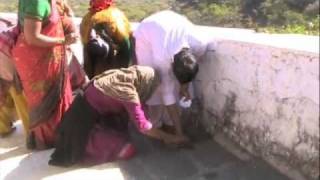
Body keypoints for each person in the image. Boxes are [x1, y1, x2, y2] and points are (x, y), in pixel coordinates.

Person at [49, 65, 188, 167]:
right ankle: (89, 146)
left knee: (124, 132)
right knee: (127, 150)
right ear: (146, 83)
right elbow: (143, 126)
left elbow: (141, 111)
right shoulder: (128, 92)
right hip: (84, 125)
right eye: (152, 87)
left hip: (92, 115)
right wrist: (170, 137)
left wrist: (158, 131)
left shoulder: (124, 76)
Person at [11, 0, 77, 149]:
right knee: (46, 104)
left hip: (46, 58)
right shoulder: (37, 2)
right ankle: (49, 142)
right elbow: (32, 37)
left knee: (55, 101)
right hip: (37, 62)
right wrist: (63, 40)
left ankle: (54, 138)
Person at [133, 10, 208, 139]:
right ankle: (156, 124)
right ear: (171, 65)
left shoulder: (199, 43)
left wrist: (184, 87)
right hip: (147, 32)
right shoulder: (161, 58)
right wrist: (180, 134)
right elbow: (166, 93)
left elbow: (190, 67)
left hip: (171, 21)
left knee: (175, 88)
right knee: (154, 82)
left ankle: (170, 123)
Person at [80, 0, 133, 79]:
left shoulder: (86, 19)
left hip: (94, 69)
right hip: (114, 67)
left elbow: (84, 43)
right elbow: (126, 45)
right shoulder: (116, 16)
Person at [0, 17, 29, 137]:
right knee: (21, 100)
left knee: (4, 96)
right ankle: (32, 134)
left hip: (5, 64)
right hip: (9, 69)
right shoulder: (12, 32)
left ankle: (3, 128)